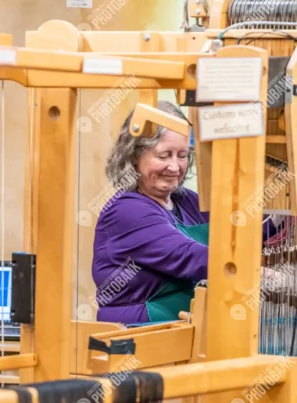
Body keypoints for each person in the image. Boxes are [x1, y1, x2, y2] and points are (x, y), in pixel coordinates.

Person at [92, 101, 276, 325]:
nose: (174, 167)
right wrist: (254, 271)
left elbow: (241, 229)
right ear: (133, 157)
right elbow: (188, 257)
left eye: (181, 155)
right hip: (137, 336)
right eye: (163, 155)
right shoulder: (126, 211)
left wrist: (289, 196)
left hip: (182, 333)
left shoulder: (186, 200)